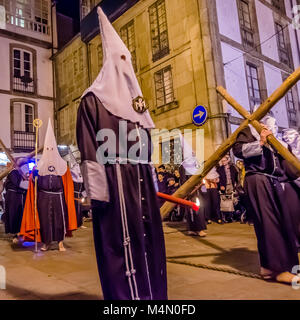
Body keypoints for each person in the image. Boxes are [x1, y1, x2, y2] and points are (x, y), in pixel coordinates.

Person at [76, 7, 167, 300]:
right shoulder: (92, 101)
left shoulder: (138, 108)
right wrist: (100, 196)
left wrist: (152, 187)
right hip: (115, 187)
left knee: (149, 245)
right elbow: (90, 152)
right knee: (121, 248)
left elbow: (147, 153)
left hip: (140, 182)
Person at [233, 118, 300, 285]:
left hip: (273, 181)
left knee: (279, 222)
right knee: (269, 224)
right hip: (257, 180)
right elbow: (238, 150)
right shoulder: (247, 131)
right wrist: (260, 142)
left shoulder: (273, 138)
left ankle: (268, 268)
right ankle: (278, 269)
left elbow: (285, 166)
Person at [20, 119, 77, 252]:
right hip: (43, 197)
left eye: (52, 148)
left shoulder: (63, 165)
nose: (50, 151)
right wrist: (33, 177)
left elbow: (67, 182)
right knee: (45, 220)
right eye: (47, 149)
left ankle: (60, 242)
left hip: (58, 197)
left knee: (59, 220)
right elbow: (33, 184)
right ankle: (45, 243)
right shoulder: (38, 166)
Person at [2, 159, 29, 243]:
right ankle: (14, 234)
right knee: (14, 215)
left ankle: (19, 232)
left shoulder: (20, 173)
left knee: (20, 215)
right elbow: (20, 184)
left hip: (20, 196)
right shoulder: (14, 172)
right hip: (13, 197)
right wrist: (30, 184)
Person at [217, 154, 239, 222]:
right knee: (225, 200)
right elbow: (218, 178)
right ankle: (226, 216)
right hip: (224, 186)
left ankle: (231, 215)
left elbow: (236, 176)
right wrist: (220, 185)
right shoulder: (220, 169)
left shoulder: (232, 168)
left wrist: (236, 184)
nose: (223, 162)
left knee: (232, 200)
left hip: (231, 185)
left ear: (227, 160)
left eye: (224, 161)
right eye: (222, 161)